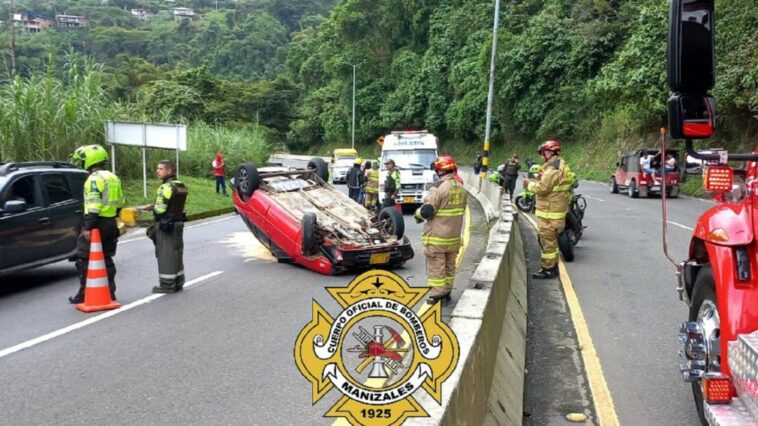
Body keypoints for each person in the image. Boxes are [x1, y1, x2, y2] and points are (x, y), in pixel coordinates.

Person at [68, 145, 125, 303]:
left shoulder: (94, 179)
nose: (81, 164)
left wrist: (88, 227)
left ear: (90, 161)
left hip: (97, 223)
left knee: (85, 259)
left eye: (82, 161)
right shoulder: (113, 177)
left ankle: (85, 293)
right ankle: (110, 293)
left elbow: (93, 206)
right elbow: (120, 202)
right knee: (106, 258)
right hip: (110, 222)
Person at [414, 156, 467, 304]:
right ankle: (447, 291)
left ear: (440, 171)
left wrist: (417, 215)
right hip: (454, 237)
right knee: (450, 266)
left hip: (437, 237)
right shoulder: (461, 188)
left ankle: (437, 294)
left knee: (437, 266)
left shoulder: (439, 188)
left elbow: (427, 210)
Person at [522, 140, 572, 279]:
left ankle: (548, 270)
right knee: (551, 243)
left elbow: (542, 189)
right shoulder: (560, 165)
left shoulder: (552, 169)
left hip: (550, 214)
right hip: (556, 212)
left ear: (549, 153)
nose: (541, 157)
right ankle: (553, 267)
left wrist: (529, 184)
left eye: (542, 154)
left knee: (547, 243)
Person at [143, 160, 188, 293]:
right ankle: (178, 281)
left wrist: (153, 208)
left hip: (165, 226)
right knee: (176, 253)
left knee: (166, 255)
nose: (157, 171)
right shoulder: (181, 186)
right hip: (177, 224)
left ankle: (167, 284)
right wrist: (153, 206)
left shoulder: (165, 187)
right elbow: (174, 205)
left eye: (161, 169)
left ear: (169, 171)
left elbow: (161, 209)